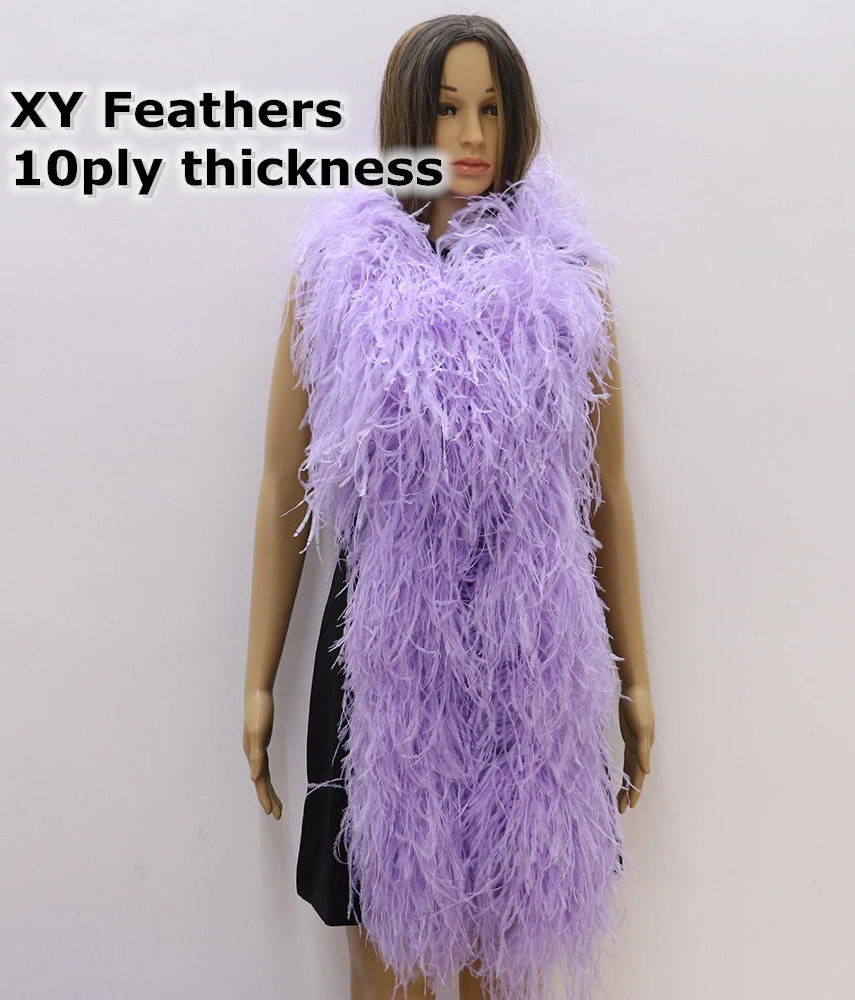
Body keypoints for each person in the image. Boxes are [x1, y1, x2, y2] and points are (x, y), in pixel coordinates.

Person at [242, 14, 655, 1000]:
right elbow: (282, 485)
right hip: (382, 661)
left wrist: (634, 679)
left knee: (496, 965)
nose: (471, 135)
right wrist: (258, 682)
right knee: (388, 966)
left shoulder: (568, 288)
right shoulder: (336, 279)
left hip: (530, 667)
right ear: (406, 118)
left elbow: (605, 493)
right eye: (445, 109)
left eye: (492, 110)